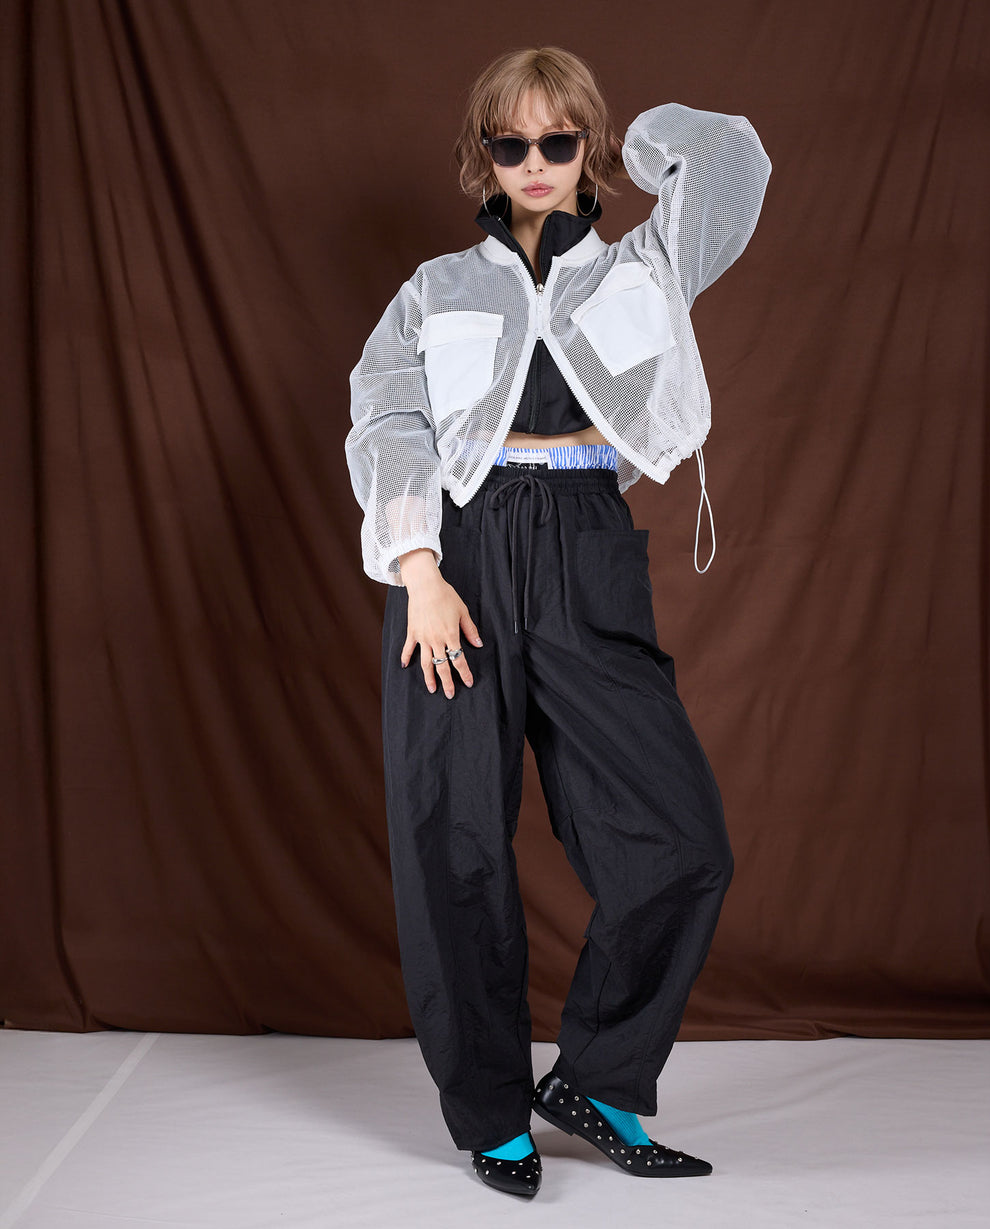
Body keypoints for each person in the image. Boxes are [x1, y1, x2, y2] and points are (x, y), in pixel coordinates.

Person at [344, 46, 771, 1199]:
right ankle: (493, 1113)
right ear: (480, 154)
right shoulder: (437, 290)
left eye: (557, 139)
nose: (532, 161)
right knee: (456, 840)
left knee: (680, 839)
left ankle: (599, 1079)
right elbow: (388, 420)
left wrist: (633, 142)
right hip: (460, 552)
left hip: (587, 545)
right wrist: (420, 569)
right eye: (510, 142)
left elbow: (730, 156)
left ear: (587, 148)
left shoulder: (645, 267)